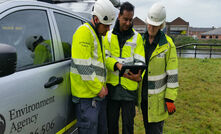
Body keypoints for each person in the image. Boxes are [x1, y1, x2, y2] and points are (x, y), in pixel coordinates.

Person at [70, 0, 116, 134]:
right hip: (87, 99)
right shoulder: (84, 33)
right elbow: (83, 66)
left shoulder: (97, 35)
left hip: (96, 96)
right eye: (105, 26)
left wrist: (103, 84)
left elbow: (98, 64)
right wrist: (98, 88)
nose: (108, 30)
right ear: (96, 19)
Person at [104, 2, 145, 134]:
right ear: (119, 17)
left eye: (130, 19)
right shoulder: (108, 36)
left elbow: (140, 61)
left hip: (129, 90)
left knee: (128, 126)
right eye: (125, 19)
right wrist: (116, 65)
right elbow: (104, 57)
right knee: (111, 125)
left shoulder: (137, 38)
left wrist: (139, 76)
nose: (128, 23)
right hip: (112, 88)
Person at [140, 3, 179, 134]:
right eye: (149, 24)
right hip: (143, 97)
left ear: (161, 25)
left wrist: (170, 98)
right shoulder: (141, 41)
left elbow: (173, 74)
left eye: (155, 25)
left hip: (158, 100)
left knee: (155, 131)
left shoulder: (168, 45)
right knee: (147, 129)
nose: (151, 27)